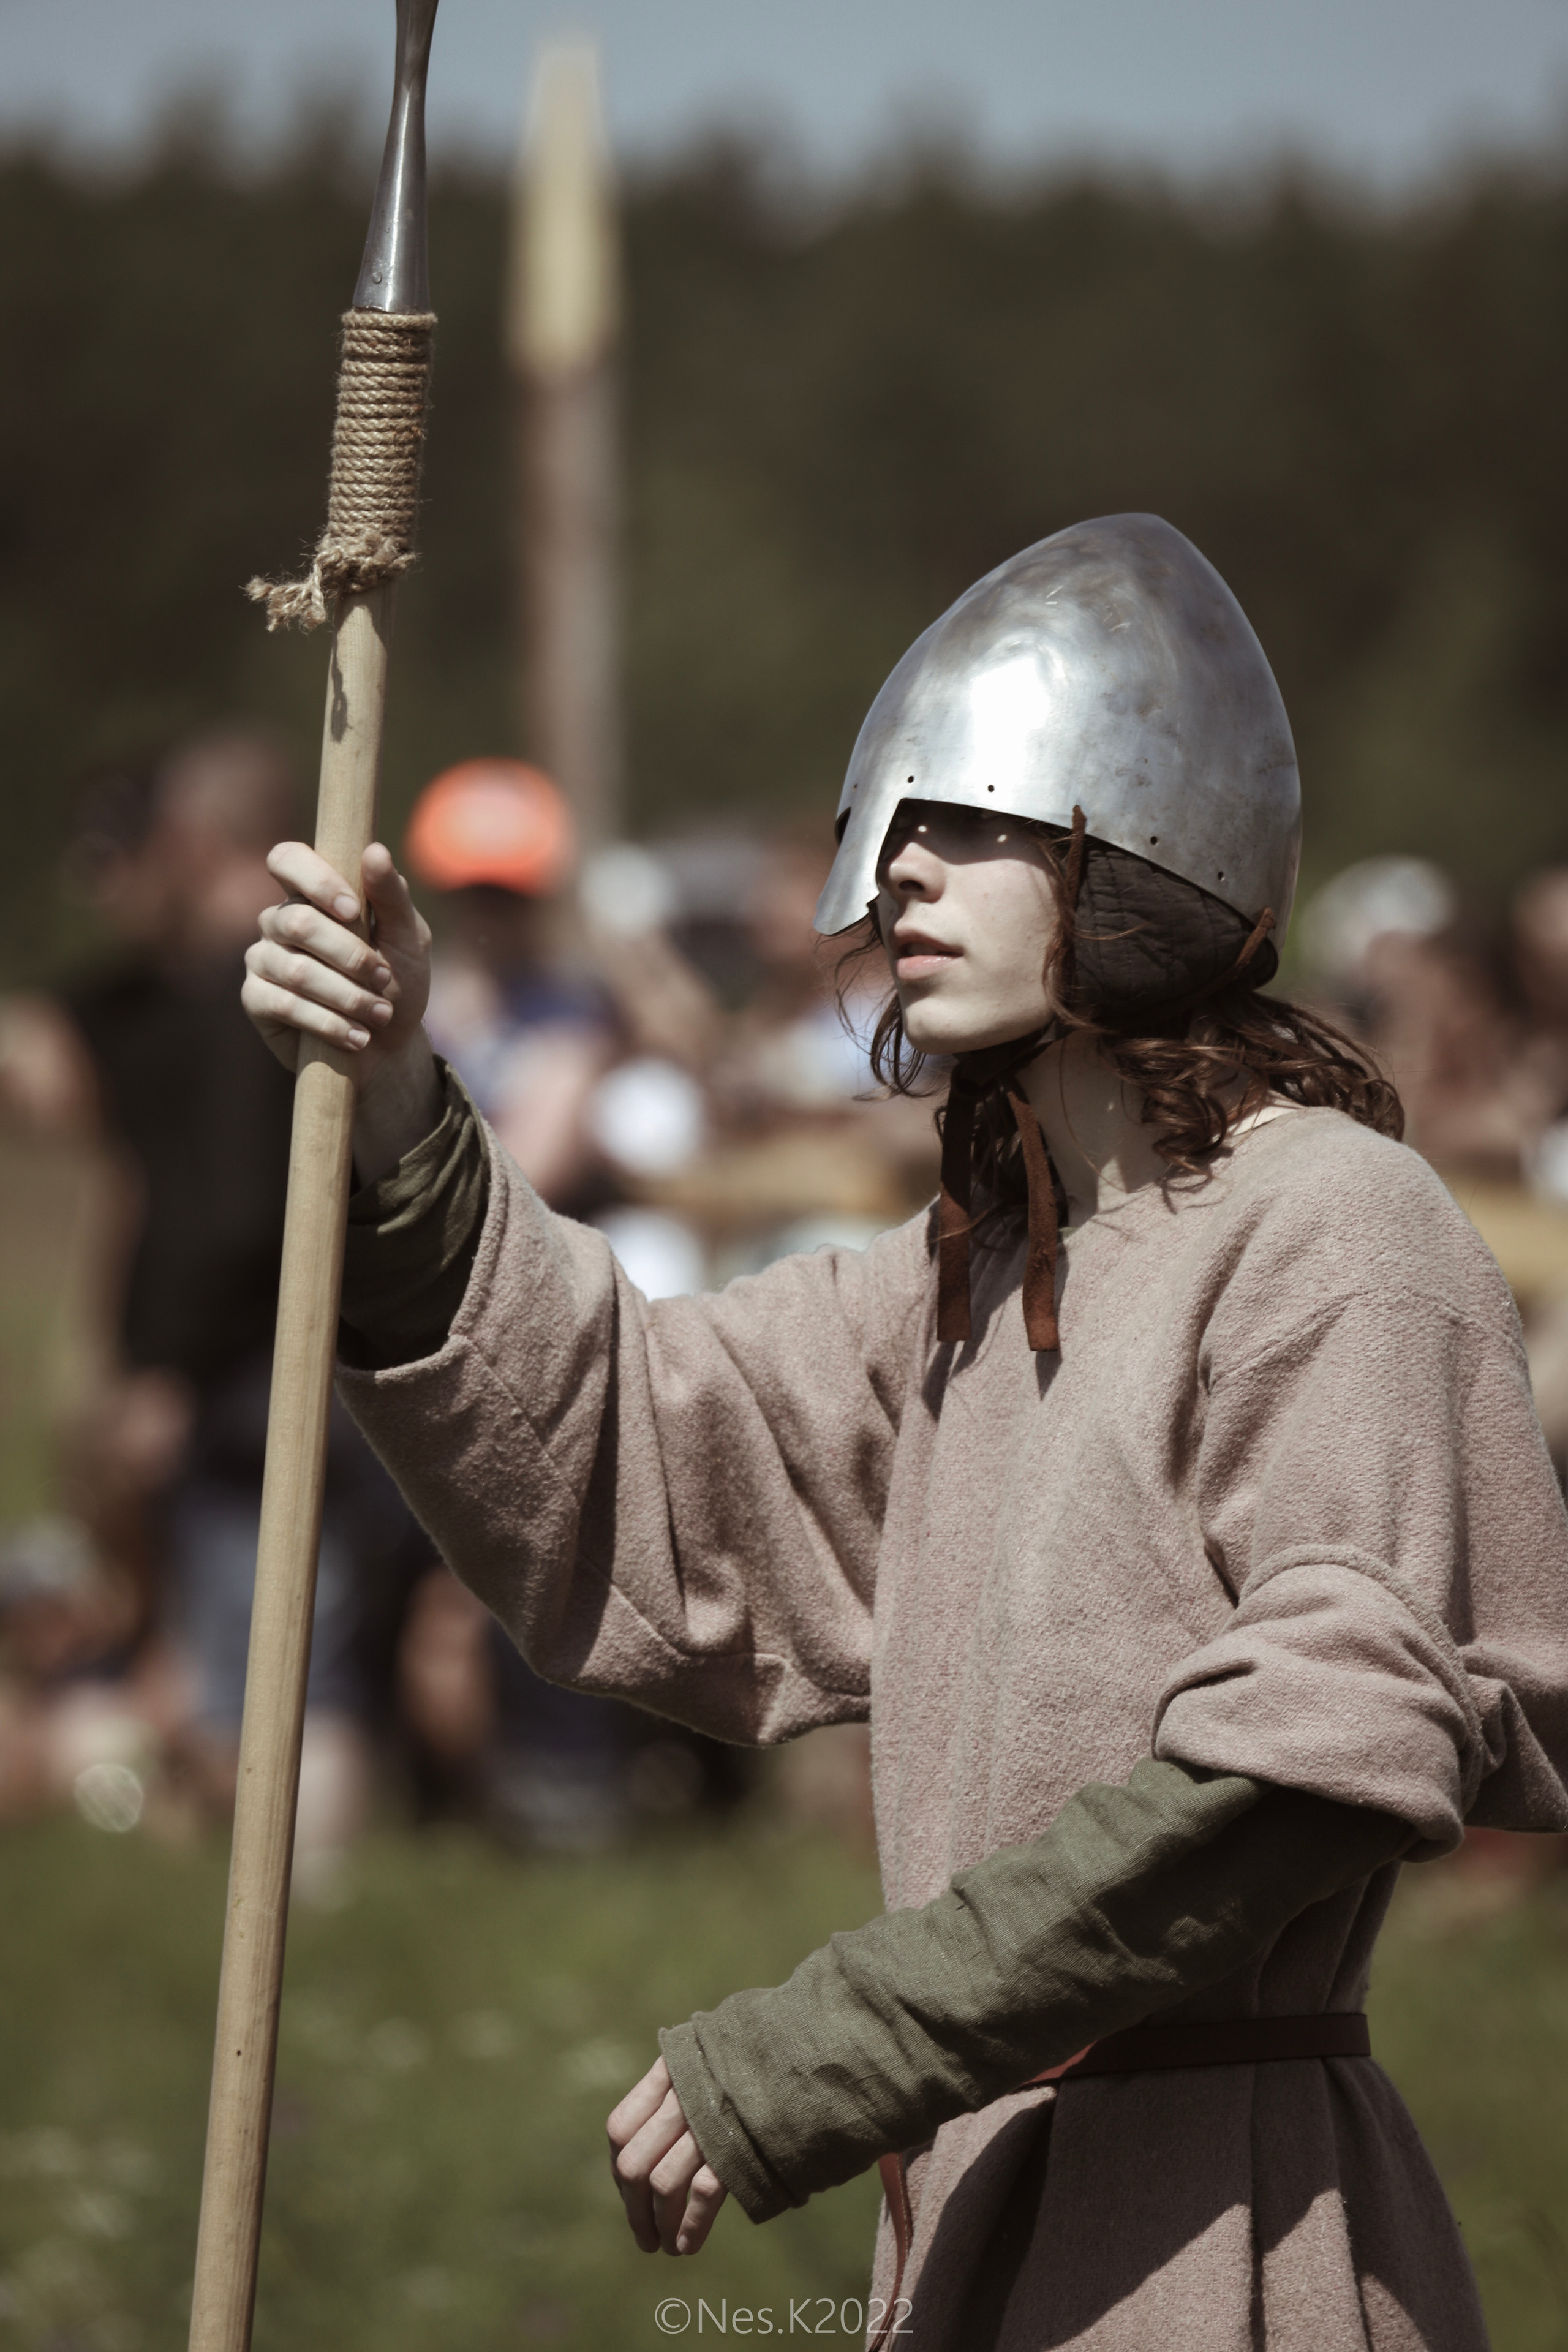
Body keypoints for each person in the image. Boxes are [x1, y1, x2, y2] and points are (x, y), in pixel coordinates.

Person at [241, 514, 1568, 2350]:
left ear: (1142, 837)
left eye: (978, 823)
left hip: (1226, 2236)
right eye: (900, 830)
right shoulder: (969, 1286)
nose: (904, 876)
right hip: (972, 2229)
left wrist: (835, 2045)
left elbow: (1303, 1769)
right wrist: (400, 1098)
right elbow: (636, 1447)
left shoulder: (1337, 1225)